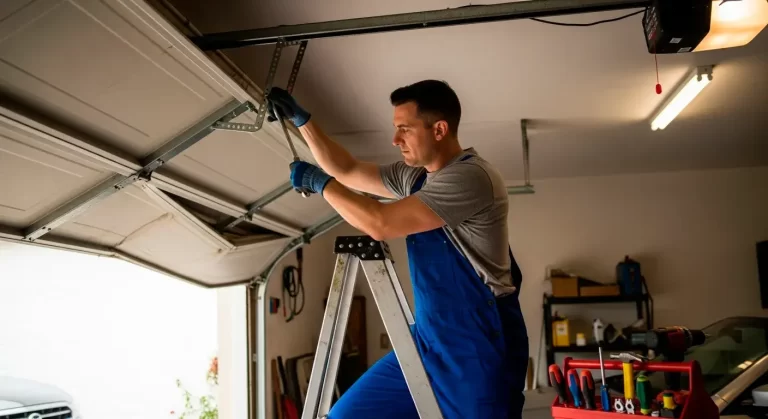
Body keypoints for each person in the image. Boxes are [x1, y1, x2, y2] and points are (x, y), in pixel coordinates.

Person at [267, 80, 528, 419]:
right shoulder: (416, 178)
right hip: (429, 339)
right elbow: (346, 170)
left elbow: (380, 223)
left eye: (404, 129)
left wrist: (320, 185)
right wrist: (303, 122)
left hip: (477, 347)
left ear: (439, 129)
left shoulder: (472, 177)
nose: (395, 140)